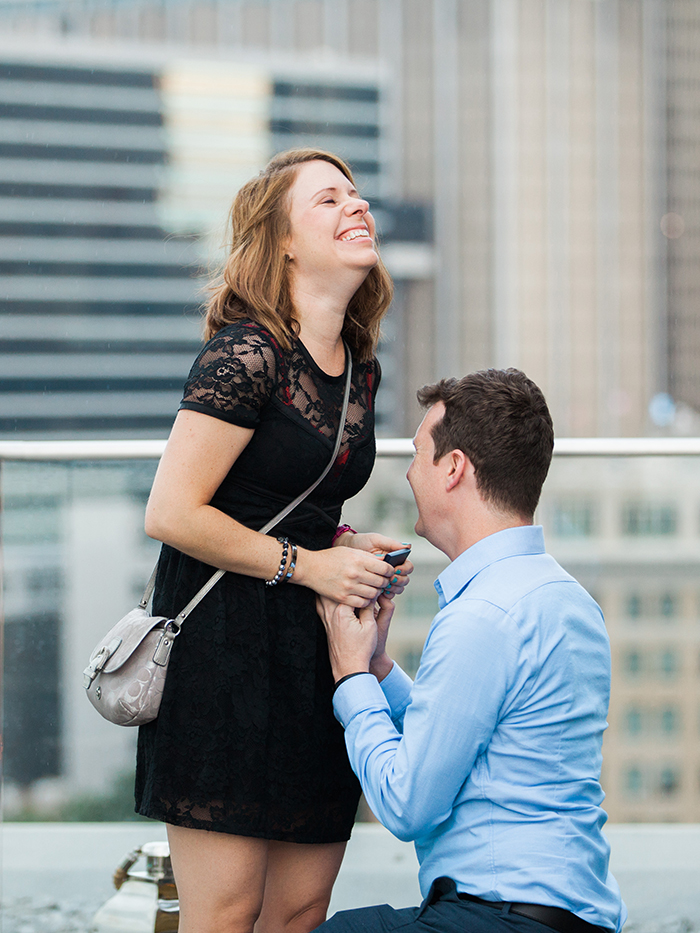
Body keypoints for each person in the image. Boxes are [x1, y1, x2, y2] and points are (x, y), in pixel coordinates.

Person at [135, 148, 412, 933]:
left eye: (357, 196)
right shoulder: (246, 353)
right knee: (224, 913)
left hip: (313, 652)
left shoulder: (361, 366)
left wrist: (351, 544)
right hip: (221, 652)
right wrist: (311, 563)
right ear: (284, 239)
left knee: (299, 912)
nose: (355, 207)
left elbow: (292, 499)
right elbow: (172, 511)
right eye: (329, 200)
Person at [315, 369, 627, 933]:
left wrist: (349, 675)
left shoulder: (482, 616)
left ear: (454, 467)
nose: (410, 472)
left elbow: (406, 804)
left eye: (417, 454)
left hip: (500, 918)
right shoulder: (565, 598)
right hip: (572, 916)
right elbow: (474, 738)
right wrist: (381, 669)